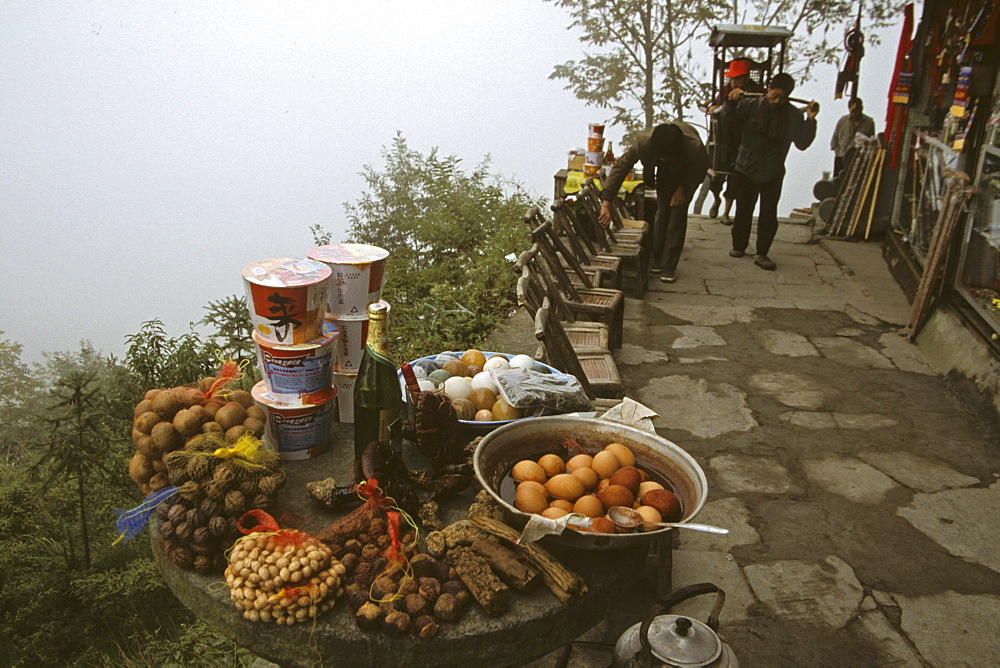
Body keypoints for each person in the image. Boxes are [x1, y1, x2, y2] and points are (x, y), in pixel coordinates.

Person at [720, 72, 818, 271]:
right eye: (774, 95)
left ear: (788, 96)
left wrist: (811, 120)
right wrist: (730, 102)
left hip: (773, 171)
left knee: (768, 214)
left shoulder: (793, 115)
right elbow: (727, 124)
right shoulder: (749, 105)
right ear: (768, 90)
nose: (777, 100)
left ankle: (762, 253)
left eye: (782, 97)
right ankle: (739, 246)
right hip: (746, 167)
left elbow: (802, 143)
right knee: (743, 210)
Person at [599, 122, 708, 283]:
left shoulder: (694, 147)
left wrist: (682, 189)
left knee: (677, 214)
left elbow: (699, 170)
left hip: (687, 172)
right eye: (662, 156)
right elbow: (622, 166)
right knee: (662, 211)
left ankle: (669, 266)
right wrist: (607, 202)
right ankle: (657, 258)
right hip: (663, 171)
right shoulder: (644, 142)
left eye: (667, 156)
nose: (665, 158)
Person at [705, 58, 765, 224]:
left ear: (746, 78)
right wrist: (714, 108)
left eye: (737, 78)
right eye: (731, 78)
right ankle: (716, 199)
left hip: (744, 140)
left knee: (736, 178)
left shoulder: (756, 91)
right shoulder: (725, 91)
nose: (733, 82)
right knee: (716, 176)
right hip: (724, 139)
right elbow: (716, 105)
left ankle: (726, 212)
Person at [830, 97, 876, 176]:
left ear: (861, 108)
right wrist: (837, 150)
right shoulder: (843, 120)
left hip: (858, 160)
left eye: (856, 111)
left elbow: (871, 142)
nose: (854, 114)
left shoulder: (869, 122)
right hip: (841, 157)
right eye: (852, 111)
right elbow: (835, 137)